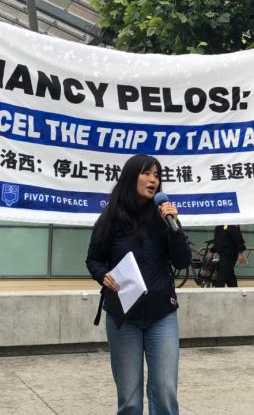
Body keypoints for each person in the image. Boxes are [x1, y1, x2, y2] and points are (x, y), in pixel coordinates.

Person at [86, 154, 192, 415]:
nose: (153, 180)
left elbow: (182, 260)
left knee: (165, 394)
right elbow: (93, 259)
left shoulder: (164, 217)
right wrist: (103, 275)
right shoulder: (110, 218)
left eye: (157, 175)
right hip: (124, 318)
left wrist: (175, 227)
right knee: (130, 400)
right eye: (147, 173)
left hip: (161, 315)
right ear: (132, 176)